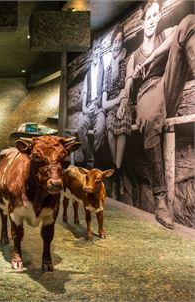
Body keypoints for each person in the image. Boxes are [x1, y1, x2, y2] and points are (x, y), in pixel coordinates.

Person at [117, 0, 194, 228]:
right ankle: (160, 199)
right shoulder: (133, 57)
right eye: (148, 17)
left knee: (189, 21)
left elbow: (175, 37)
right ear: (142, 22)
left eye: (154, 17)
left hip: (168, 83)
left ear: (158, 18)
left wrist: (151, 59)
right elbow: (128, 85)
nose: (151, 21)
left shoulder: (165, 34)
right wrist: (123, 100)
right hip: (147, 92)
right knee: (150, 119)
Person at [102, 25, 132, 199]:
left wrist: (123, 99)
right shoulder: (107, 69)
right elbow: (105, 104)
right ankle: (117, 168)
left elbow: (127, 88)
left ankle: (117, 172)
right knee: (110, 129)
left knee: (123, 123)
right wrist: (117, 98)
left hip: (125, 102)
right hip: (113, 103)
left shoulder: (126, 61)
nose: (117, 44)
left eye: (120, 41)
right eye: (115, 41)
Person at [78, 38, 107, 168]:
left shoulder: (104, 70)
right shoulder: (87, 75)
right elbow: (83, 104)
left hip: (99, 109)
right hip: (88, 110)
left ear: (100, 51)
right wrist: (86, 109)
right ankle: (89, 160)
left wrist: (96, 106)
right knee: (80, 128)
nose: (96, 52)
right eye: (94, 50)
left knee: (100, 130)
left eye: (98, 49)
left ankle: (97, 161)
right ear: (91, 53)